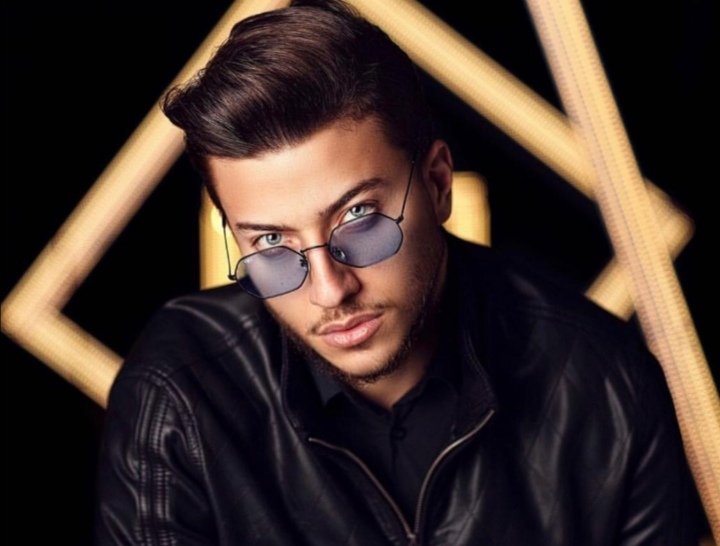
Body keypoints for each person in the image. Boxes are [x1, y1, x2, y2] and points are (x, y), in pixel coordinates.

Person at [94, 1, 705, 544]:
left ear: (438, 184)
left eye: (359, 218)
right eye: (272, 243)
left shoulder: (607, 385)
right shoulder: (179, 391)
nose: (329, 290)